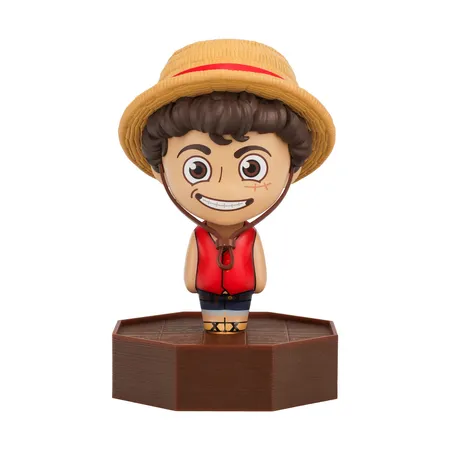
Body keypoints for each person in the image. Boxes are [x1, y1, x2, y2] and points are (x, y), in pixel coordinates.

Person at [119, 39, 335, 333]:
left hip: (240, 289)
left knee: (236, 320)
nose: (223, 188)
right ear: (161, 172)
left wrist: (253, 280)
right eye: (197, 169)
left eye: (252, 168)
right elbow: (191, 277)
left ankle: (233, 327)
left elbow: (258, 279)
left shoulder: (249, 236)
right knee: (212, 319)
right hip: (208, 288)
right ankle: (215, 328)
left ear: (292, 172)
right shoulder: (201, 235)